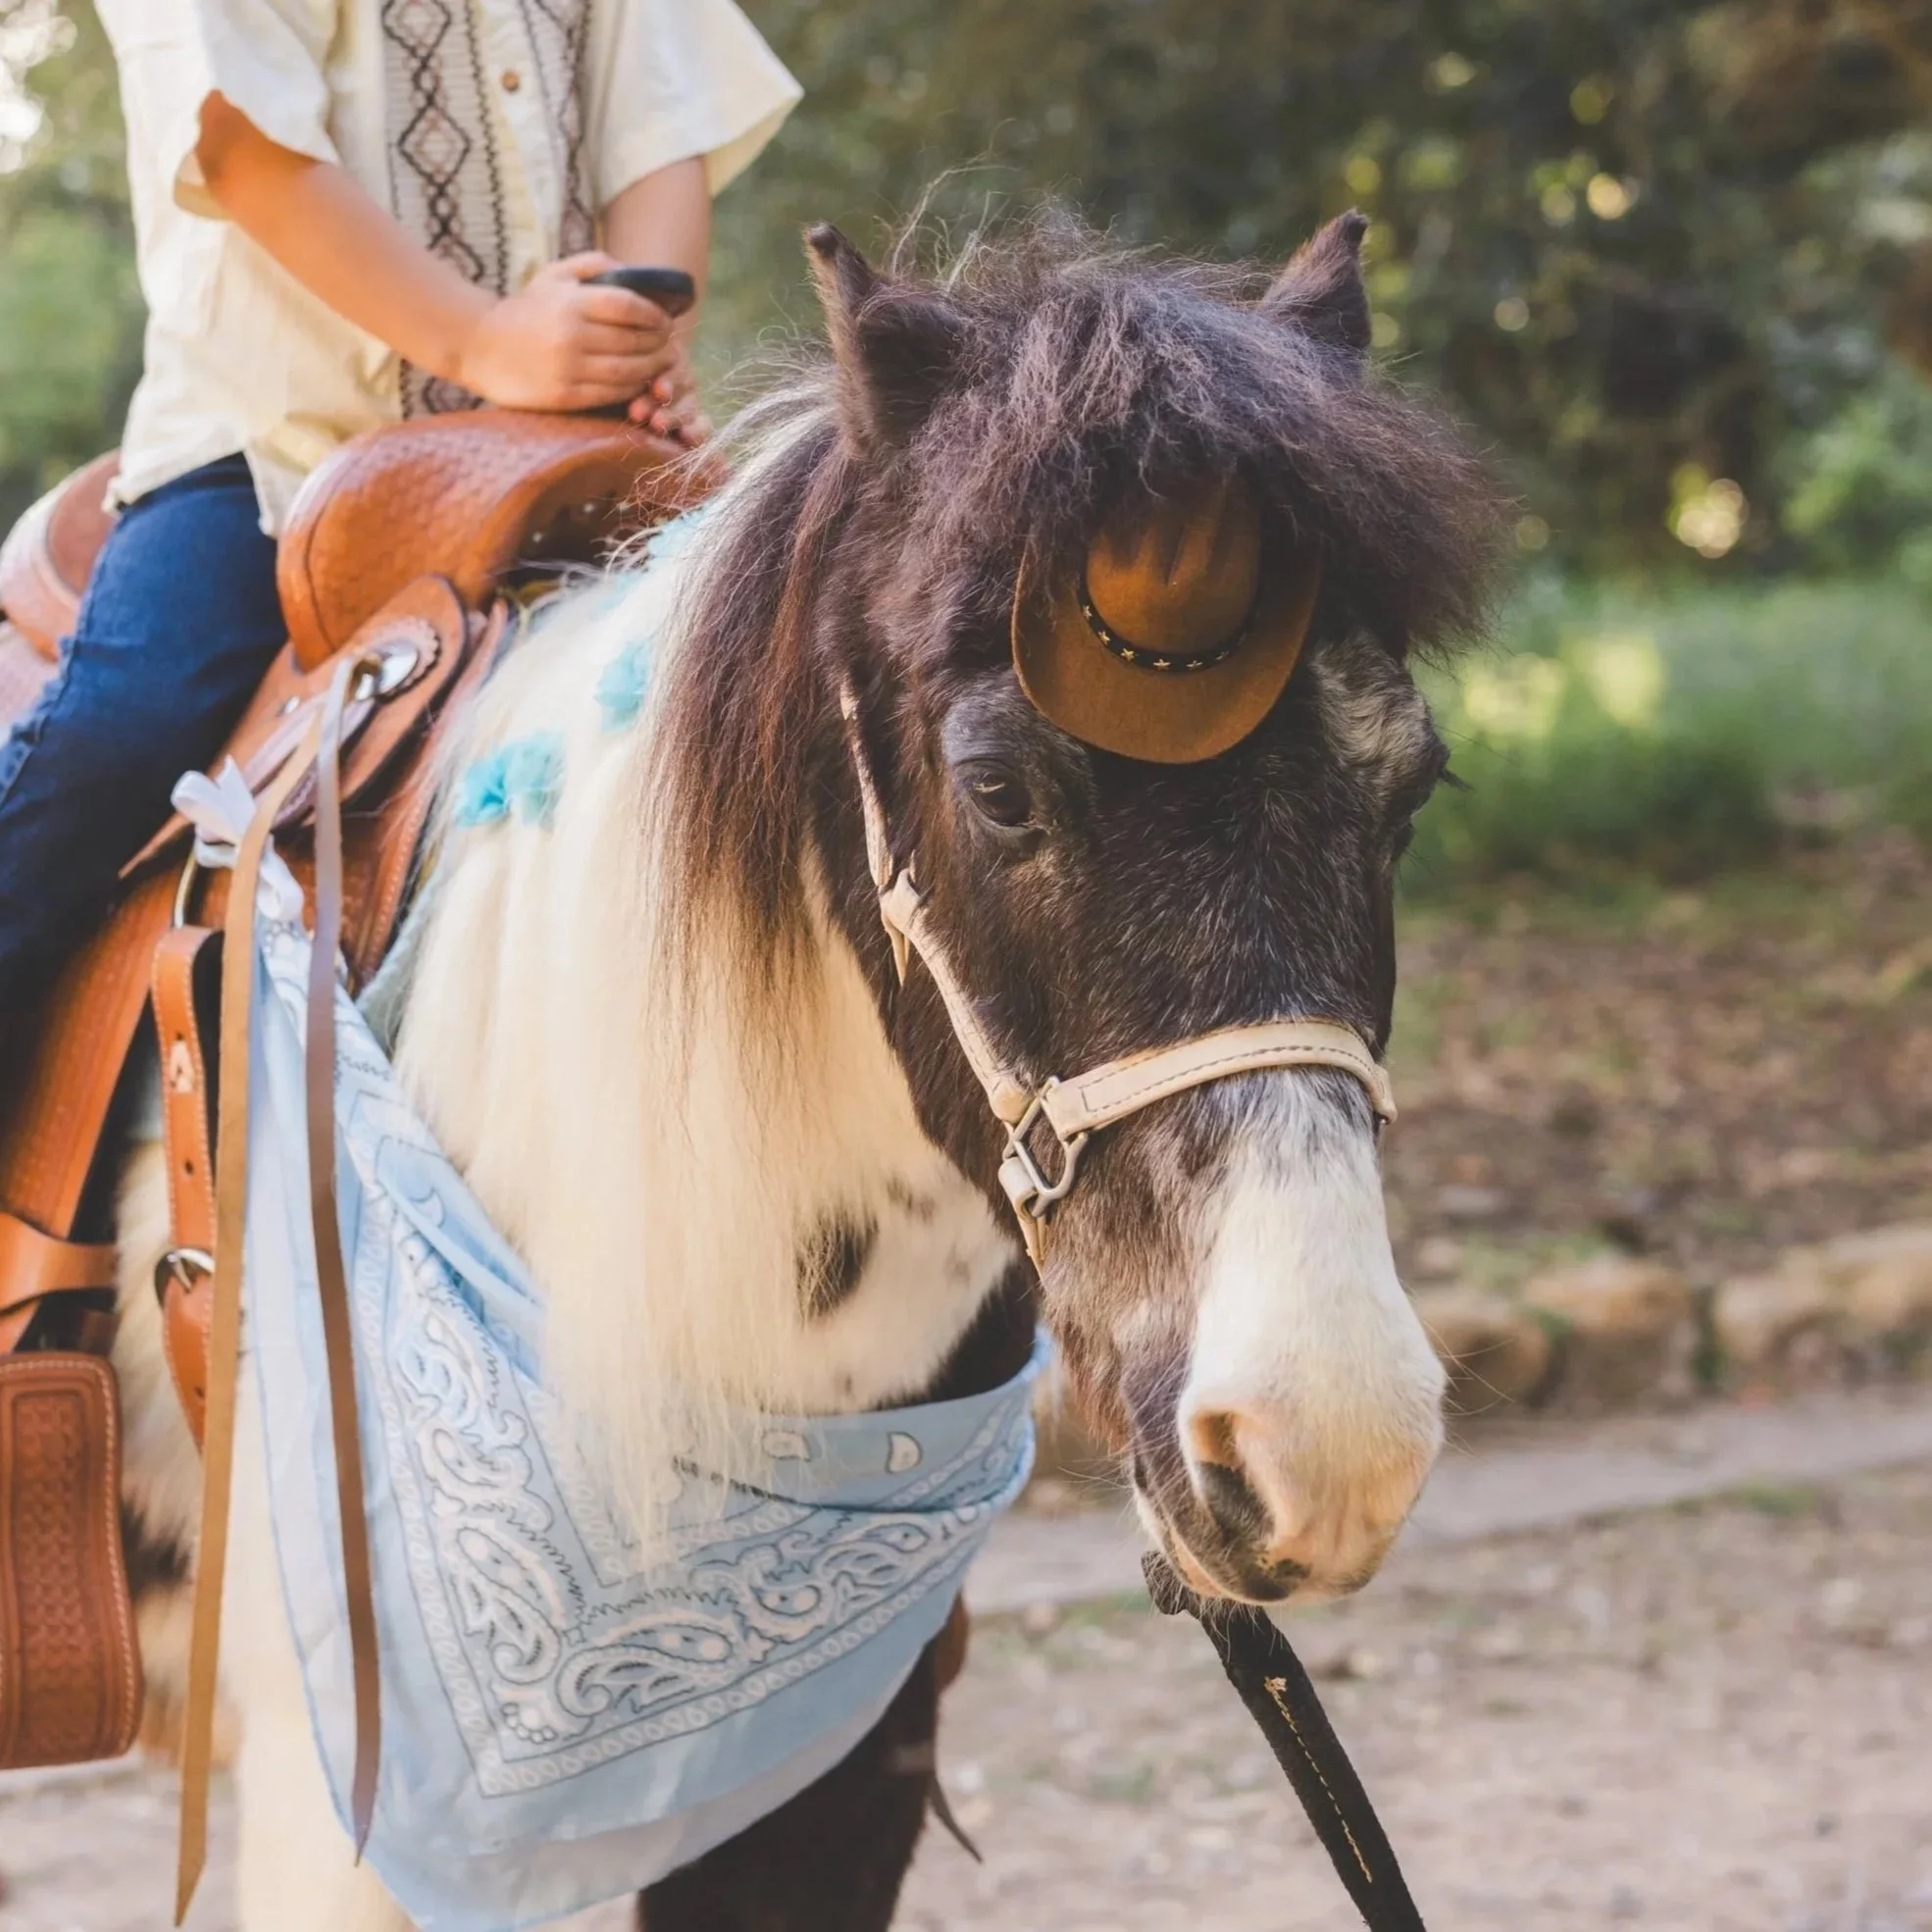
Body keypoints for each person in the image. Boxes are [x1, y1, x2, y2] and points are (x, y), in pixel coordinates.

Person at [0, 0, 799, 1016]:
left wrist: (635, 342)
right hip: (278, 456)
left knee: (785, 687)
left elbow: (657, 120)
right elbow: (236, 132)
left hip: (555, 453)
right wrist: (480, 341)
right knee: (124, 732)